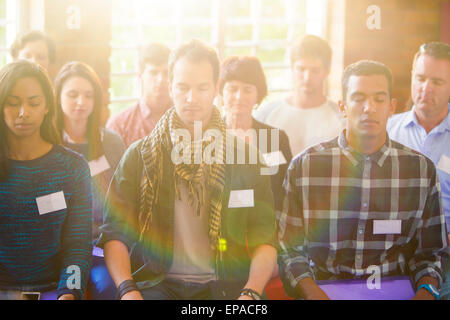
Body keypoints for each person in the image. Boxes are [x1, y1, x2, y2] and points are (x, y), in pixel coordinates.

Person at [97, 39, 277, 300]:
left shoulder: (247, 158)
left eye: (202, 88)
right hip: (156, 284)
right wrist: (127, 289)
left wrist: (250, 293)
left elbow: (266, 239)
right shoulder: (140, 156)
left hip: (225, 286)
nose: (191, 98)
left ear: (216, 88)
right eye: (182, 87)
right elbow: (115, 233)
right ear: (170, 87)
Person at [277, 60, 449, 300]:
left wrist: (426, 292)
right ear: (343, 107)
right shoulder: (305, 167)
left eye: (379, 99)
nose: (369, 108)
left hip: (395, 290)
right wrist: (312, 293)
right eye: (358, 98)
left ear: (391, 107)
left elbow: (432, 253)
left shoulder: (419, 171)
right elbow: (289, 250)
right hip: (323, 290)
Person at [0, 60, 92, 299]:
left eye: (33, 103)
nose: (23, 113)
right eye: (12, 103)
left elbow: (77, 245)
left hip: (53, 290)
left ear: (48, 106)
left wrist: (69, 292)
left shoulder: (73, 168)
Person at [387, 41, 450, 300]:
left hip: (445, 255)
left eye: (437, 81)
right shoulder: (386, 130)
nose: (426, 89)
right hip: (387, 252)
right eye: (421, 78)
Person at [55, 61, 126, 240]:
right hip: (56, 242)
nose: (81, 102)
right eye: (73, 95)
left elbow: (122, 202)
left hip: (105, 240)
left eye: (89, 95)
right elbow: (38, 205)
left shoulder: (112, 142)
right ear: (58, 97)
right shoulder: (45, 144)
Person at [218, 55, 292, 209]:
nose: (239, 97)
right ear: (221, 93)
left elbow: (280, 189)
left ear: (258, 95)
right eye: (232, 89)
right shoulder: (205, 138)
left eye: (247, 90)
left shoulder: (276, 139)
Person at [254, 34, 343, 157]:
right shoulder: (266, 114)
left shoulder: (341, 118)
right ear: (292, 67)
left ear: (327, 71)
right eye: (301, 69)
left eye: (315, 70)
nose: (307, 77)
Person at [107, 43, 172, 147]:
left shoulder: (187, 118)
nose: (161, 80)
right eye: (153, 72)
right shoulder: (119, 125)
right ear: (140, 76)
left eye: (166, 73)